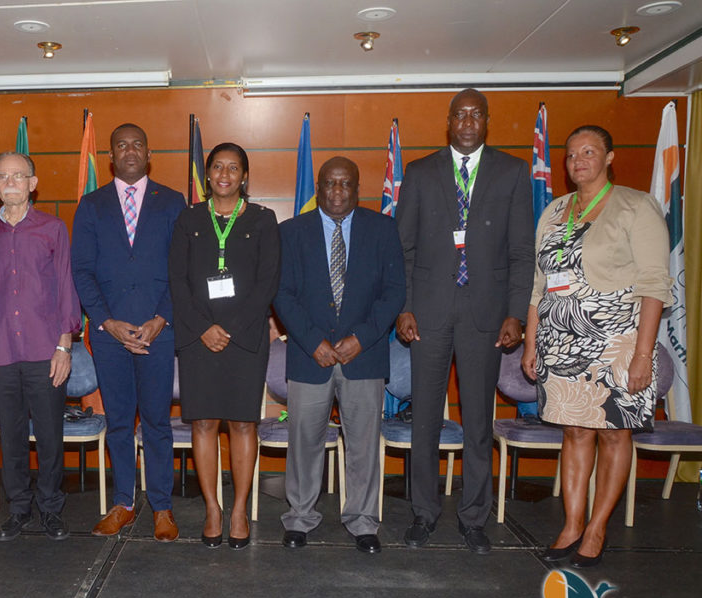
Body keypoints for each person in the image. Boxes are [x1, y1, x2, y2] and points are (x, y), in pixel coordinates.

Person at [522, 125, 672, 568]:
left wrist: (643, 354)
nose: (578, 161)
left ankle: (597, 527)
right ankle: (572, 524)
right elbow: (539, 284)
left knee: (614, 432)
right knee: (574, 431)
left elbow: (655, 285)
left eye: (589, 152)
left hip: (618, 341)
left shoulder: (636, 206)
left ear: (609, 157)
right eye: (571, 155)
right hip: (561, 342)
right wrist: (532, 342)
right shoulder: (554, 210)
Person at [395, 88, 534, 554]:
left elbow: (521, 251)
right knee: (425, 421)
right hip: (428, 313)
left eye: (477, 114)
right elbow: (403, 248)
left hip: (486, 315)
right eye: (460, 114)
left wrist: (515, 313)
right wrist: (404, 307)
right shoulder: (419, 172)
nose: (468, 122)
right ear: (449, 121)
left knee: (477, 421)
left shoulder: (513, 172)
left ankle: (474, 518)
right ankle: (423, 513)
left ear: (487, 121)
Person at [274, 157, 405, 553]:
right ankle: (300, 516)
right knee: (304, 442)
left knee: (363, 443)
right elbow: (282, 293)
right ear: (318, 188)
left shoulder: (382, 229)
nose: (336, 191)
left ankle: (363, 520)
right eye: (329, 183)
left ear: (357, 189)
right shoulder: (291, 232)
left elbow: (394, 292)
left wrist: (361, 338)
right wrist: (313, 341)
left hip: (363, 356)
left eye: (345, 183)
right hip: (308, 355)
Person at [71, 123, 187, 542]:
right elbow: (82, 271)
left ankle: (162, 507)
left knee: (157, 422)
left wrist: (162, 319)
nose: (130, 151)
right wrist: (107, 322)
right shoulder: (91, 205)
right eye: (121, 145)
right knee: (119, 422)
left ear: (149, 153)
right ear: (111, 156)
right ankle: (123, 502)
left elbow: (183, 268)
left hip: (159, 332)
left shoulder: (173, 202)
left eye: (138, 144)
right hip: (110, 335)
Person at [168, 142, 280, 549]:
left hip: (245, 338)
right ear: (208, 174)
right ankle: (213, 509)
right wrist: (204, 328)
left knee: (243, 423)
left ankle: (239, 511)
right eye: (218, 166)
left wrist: (228, 328)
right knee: (203, 423)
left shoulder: (263, 220)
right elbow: (177, 281)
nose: (225, 174)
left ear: (244, 176)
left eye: (234, 167)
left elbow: (268, 282)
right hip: (198, 338)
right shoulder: (189, 218)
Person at [0, 152, 81, 542]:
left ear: (33, 183)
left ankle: (50, 508)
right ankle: (18, 509)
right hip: (0, 350)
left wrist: (64, 347)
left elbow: (66, 287)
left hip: (45, 350)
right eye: (3, 176)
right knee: (12, 436)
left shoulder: (53, 228)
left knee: (49, 436)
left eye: (19, 175)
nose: (11, 182)